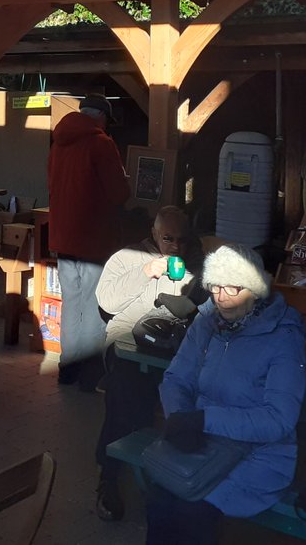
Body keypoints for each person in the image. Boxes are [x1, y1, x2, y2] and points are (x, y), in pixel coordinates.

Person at [151, 244, 306, 544]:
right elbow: (176, 379)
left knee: (190, 508)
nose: (221, 297)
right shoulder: (207, 324)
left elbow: (279, 419)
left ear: (256, 289)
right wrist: (181, 418)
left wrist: (203, 420)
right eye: (215, 287)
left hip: (257, 456)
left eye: (233, 288)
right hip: (202, 442)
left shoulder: (283, 337)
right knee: (159, 496)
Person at [93, 206, 199, 521]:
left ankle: (176, 476)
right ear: (153, 233)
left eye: (182, 239)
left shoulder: (193, 263)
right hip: (127, 339)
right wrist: (146, 272)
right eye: (168, 238)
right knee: (127, 391)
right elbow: (106, 301)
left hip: (174, 344)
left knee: (194, 396)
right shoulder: (127, 257)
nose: (176, 246)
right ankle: (109, 475)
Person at [47, 94, 131, 388]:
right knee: (94, 308)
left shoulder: (58, 143)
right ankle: (89, 376)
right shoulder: (102, 144)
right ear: (101, 118)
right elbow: (119, 194)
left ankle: (67, 370)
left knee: (71, 306)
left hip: (63, 238)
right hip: (94, 240)